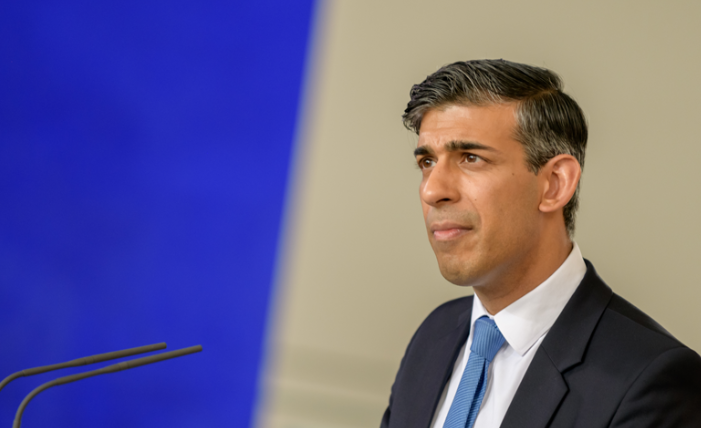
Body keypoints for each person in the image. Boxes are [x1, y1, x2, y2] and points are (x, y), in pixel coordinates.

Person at [380, 59, 701, 428]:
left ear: (555, 184)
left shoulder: (649, 378)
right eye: (427, 161)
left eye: (470, 158)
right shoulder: (433, 336)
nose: (432, 190)